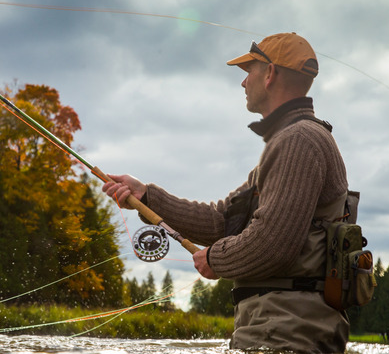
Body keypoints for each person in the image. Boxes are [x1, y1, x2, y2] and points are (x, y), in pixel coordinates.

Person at [103, 32, 350, 353]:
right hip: (277, 326)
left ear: (270, 74)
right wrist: (147, 195)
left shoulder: (299, 140)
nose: (244, 83)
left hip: (285, 330)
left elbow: (273, 243)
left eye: (250, 72)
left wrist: (216, 259)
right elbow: (223, 221)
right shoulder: (291, 140)